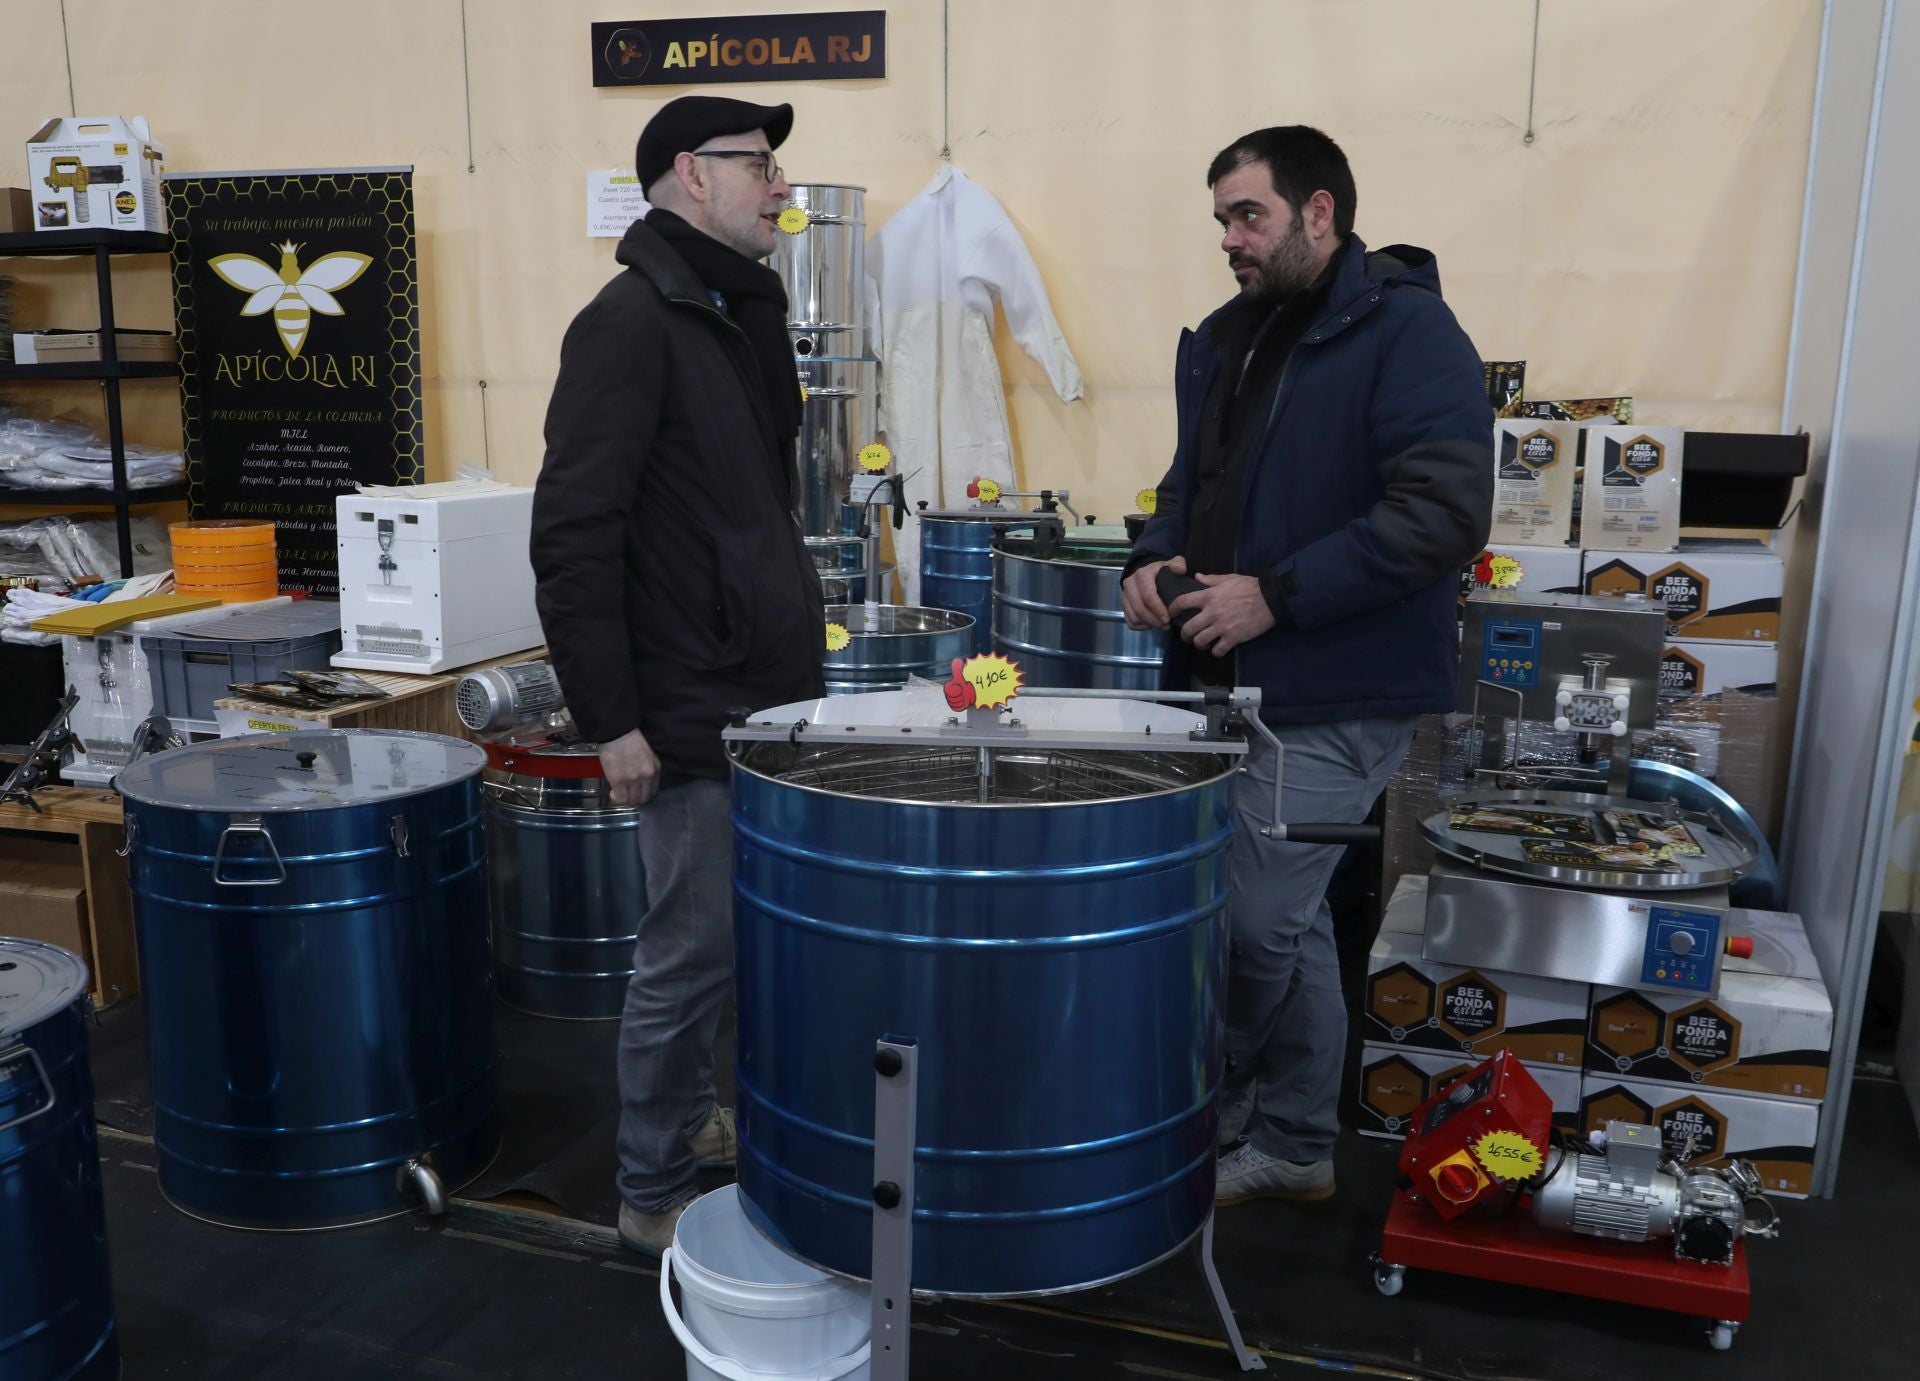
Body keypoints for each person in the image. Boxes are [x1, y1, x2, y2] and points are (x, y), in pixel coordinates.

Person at [1121, 126, 1492, 1204]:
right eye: (1222, 220)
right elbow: (1190, 482)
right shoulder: (1229, 338)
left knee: (1253, 921)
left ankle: (1258, 1116)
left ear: (1319, 212)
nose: (1230, 239)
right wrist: (1156, 557)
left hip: (1341, 687)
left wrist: (1271, 593)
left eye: (1250, 216)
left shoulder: (1409, 334)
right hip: (1229, 682)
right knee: (1280, 916)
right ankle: (1287, 1138)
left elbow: (1440, 517)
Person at [530, 95, 826, 1255]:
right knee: (687, 954)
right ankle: (649, 1191)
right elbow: (574, 534)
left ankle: (708, 1129)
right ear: (688, 178)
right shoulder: (631, 323)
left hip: (765, 700)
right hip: (689, 707)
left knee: (747, 947)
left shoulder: (731, 313)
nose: (781, 187)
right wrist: (612, 721)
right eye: (759, 166)